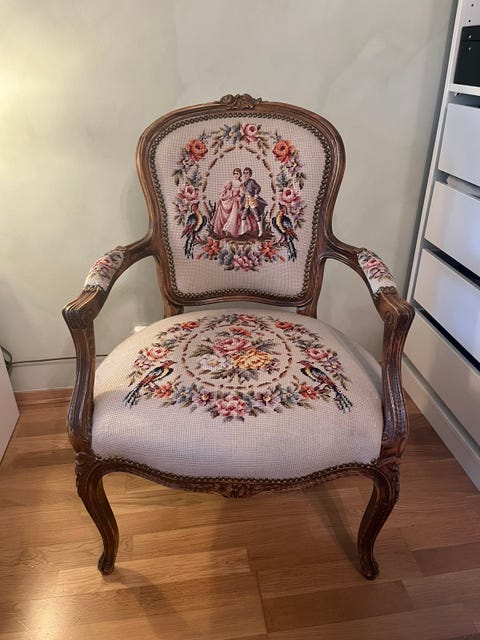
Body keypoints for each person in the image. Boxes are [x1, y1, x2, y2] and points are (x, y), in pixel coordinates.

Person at [212, 168, 243, 237]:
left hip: (236, 201)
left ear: (240, 175)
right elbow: (225, 189)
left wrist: (239, 197)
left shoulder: (240, 184)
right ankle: (224, 230)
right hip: (230, 200)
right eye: (234, 173)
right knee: (226, 211)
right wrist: (223, 195)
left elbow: (242, 193)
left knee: (234, 215)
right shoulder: (231, 182)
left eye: (237, 174)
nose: (236, 175)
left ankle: (231, 231)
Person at [240, 167, 267, 237]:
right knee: (243, 215)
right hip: (246, 202)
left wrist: (256, 194)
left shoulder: (252, 181)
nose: (245, 175)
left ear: (250, 174)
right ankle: (243, 231)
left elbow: (258, 187)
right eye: (244, 173)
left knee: (256, 215)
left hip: (252, 201)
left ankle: (261, 231)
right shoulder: (243, 184)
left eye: (247, 173)